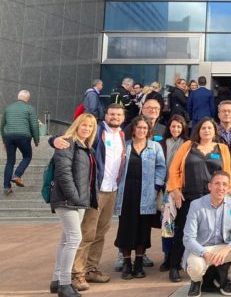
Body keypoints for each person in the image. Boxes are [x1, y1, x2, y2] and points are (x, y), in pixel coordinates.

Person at [50, 104, 125, 291]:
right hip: (95, 190)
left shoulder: (123, 134)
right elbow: (69, 137)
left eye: (119, 115)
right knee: (85, 233)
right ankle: (76, 273)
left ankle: (91, 268)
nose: (115, 117)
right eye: (112, 114)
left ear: (123, 118)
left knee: (100, 233)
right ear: (105, 116)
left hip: (112, 189)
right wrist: (54, 139)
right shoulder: (98, 131)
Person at [166, 117, 231, 283]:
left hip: (214, 198)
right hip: (189, 197)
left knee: (212, 232)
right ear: (198, 130)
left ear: (214, 131)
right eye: (203, 128)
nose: (207, 131)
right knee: (183, 231)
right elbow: (174, 169)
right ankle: (174, 266)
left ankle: (209, 270)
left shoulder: (222, 148)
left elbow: (227, 173)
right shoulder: (187, 146)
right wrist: (175, 190)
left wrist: (229, 195)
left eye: (210, 128)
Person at [183, 170, 231, 296]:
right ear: (210, 186)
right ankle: (196, 282)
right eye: (217, 184)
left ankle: (221, 278)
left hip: (223, 248)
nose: (221, 188)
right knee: (195, 268)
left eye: (224, 184)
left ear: (228, 188)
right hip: (201, 249)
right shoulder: (196, 205)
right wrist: (204, 253)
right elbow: (188, 238)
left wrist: (228, 248)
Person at [49, 113, 98, 297]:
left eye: (90, 127)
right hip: (67, 200)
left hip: (79, 201)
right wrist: (75, 196)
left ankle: (56, 281)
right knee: (74, 239)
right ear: (77, 125)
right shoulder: (66, 143)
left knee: (65, 240)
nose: (86, 129)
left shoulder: (86, 147)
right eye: (84, 125)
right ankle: (64, 283)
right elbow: (63, 173)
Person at [113, 117, 166, 280]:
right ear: (133, 129)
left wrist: (156, 187)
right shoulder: (125, 146)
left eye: (145, 128)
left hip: (147, 192)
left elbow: (161, 167)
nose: (142, 130)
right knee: (126, 228)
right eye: (139, 127)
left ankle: (138, 263)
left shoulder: (155, 147)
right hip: (127, 192)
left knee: (143, 228)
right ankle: (127, 264)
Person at [159, 114, 188, 272]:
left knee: (181, 225)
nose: (176, 129)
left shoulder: (188, 144)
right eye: (173, 126)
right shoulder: (162, 143)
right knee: (167, 225)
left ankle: (179, 256)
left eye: (179, 126)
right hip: (166, 190)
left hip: (182, 190)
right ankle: (167, 256)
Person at [2, 89, 40, 195]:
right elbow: (34, 125)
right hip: (23, 136)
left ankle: (6, 187)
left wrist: (4, 140)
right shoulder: (29, 108)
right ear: (27, 98)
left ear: (18, 97)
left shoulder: (8, 108)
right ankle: (17, 175)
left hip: (9, 136)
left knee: (10, 161)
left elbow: (2, 125)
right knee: (27, 156)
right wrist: (36, 140)